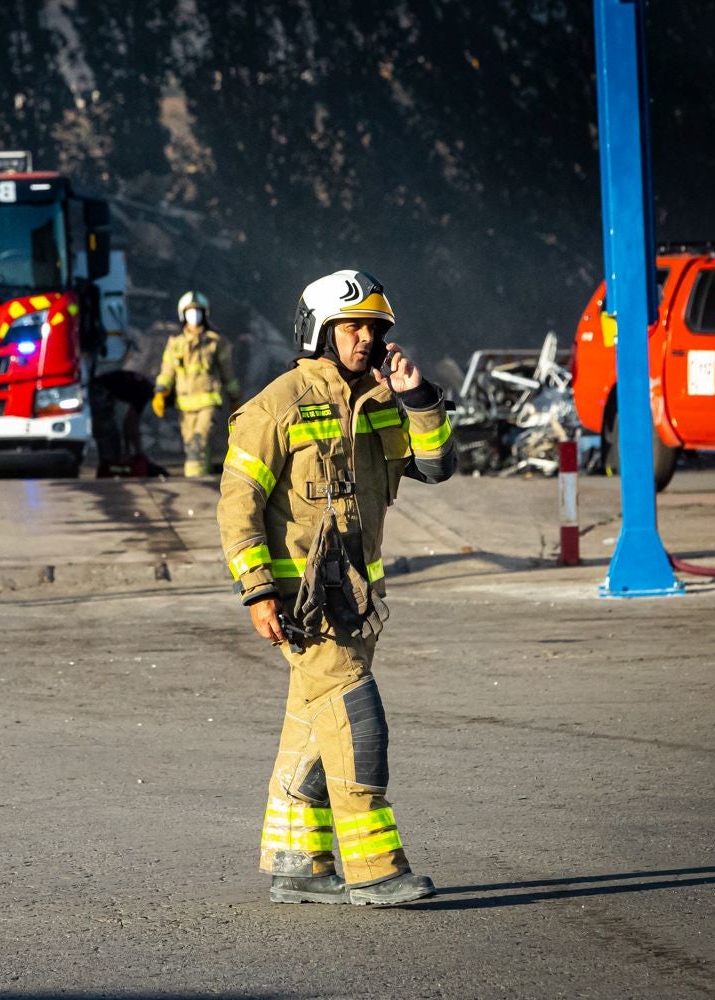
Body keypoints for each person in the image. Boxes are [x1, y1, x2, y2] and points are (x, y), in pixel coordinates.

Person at [217, 270, 457, 906]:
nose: (365, 340)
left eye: (374, 330)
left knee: (311, 728)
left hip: (357, 602)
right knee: (355, 723)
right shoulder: (278, 404)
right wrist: (257, 590)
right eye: (353, 328)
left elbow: (435, 466)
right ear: (319, 331)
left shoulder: (380, 401)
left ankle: (298, 862)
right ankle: (377, 868)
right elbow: (237, 504)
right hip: (306, 606)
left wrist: (420, 396)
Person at [153, 291, 239, 477]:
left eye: (197, 311)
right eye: (190, 311)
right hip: (185, 406)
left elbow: (228, 374)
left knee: (198, 443)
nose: (194, 315)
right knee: (194, 446)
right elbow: (167, 371)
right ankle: (204, 479)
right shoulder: (175, 344)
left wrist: (235, 399)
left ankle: (193, 485)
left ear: (204, 313)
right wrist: (160, 392)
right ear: (182, 314)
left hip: (208, 403)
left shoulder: (215, 342)